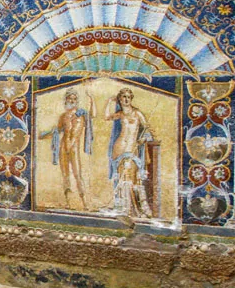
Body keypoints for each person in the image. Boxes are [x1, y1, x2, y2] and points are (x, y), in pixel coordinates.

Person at [104, 87, 155, 218]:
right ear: (120, 99)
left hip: (132, 148)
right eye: (123, 97)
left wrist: (144, 138)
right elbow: (106, 117)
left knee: (132, 178)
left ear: (131, 98)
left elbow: (148, 129)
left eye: (128, 97)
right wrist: (109, 101)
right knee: (120, 178)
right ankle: (121, 207)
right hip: (119, 147)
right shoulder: (120, 114)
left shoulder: (137, 113)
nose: (126, 99)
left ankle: (134, 208)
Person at [38, 88, 92, 209]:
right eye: (70, 99)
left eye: (74, 99)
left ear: (76, 101)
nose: (72, 101)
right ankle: (69, 202)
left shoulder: (81, 114)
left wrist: (91, 100)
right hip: (63, 146)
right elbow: (58, 131)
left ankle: (85, 203)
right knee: (66, 175)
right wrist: (44, 135)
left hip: (74, 147)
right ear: (66, 100)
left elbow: (92, 115)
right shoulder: (63, 116)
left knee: (77, 174)